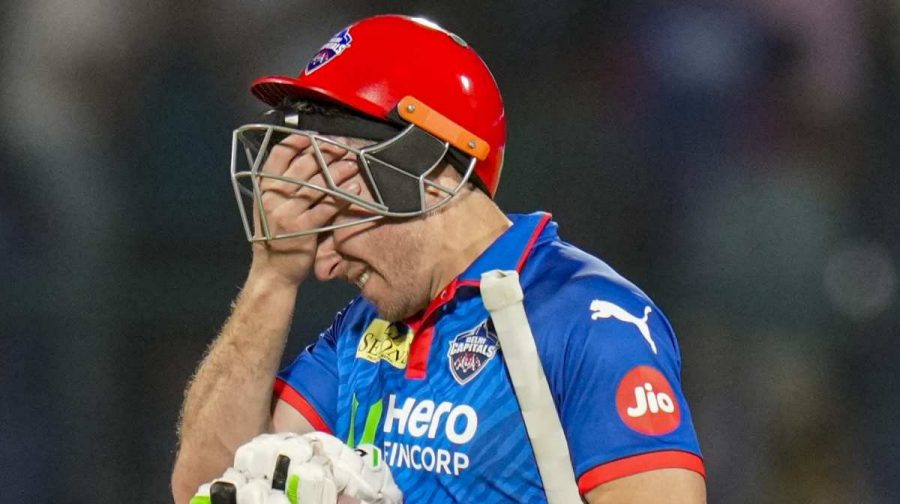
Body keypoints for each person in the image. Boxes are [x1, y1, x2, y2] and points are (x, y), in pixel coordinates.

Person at [172, 14, 706, 504]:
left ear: (429, 172)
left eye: (338, 209)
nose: (324, 264)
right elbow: (207, 486)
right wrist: (273, 275)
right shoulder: (357, 334)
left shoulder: (590, 321)